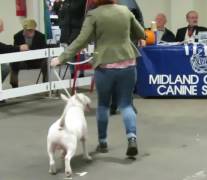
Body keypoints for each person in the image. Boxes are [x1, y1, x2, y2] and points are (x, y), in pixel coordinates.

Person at [50, 0, 145, 157]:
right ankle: (132, 138)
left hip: (105, 66)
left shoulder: (93, 15)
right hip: (128, 64)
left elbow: (81, 40)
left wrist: (61, 58)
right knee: (126, 105)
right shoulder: (125, 11)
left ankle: (103, 143)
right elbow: (140, 33)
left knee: (103, 106)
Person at [10, 19, 47, 88]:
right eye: (26, 30)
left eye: (31, 30)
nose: (28, 31)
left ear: (34, 29)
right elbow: (15, 50)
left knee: (46, 62)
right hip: (23, 61)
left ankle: (46, 84)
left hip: (37, 60)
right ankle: (14, 85)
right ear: (23, 29)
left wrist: (31, 50)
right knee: (13, 62)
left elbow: (44, 51)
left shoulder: (41, 36)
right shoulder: (17, 36)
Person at [0, 18, 29, 103]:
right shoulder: (18, 35)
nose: (3, 29)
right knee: (4, 68)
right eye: (1, 27)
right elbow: (3, 48)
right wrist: (19, 47)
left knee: (5, 67)